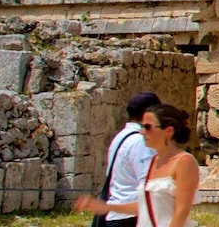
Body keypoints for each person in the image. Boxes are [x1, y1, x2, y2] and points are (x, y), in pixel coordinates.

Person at [75, 103, 201, 227]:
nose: (142, 132)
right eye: (142, 126)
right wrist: (106, 207)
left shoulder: (184, 162)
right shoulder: (153, 161)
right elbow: (145, 207)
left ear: (168, 131)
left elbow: (181, 211)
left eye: (147, 127)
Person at [95, 92, 161, 227]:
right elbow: (149, 183)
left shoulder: (121, 136)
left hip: (120, 212)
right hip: (131, 216)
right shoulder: (141, 141)